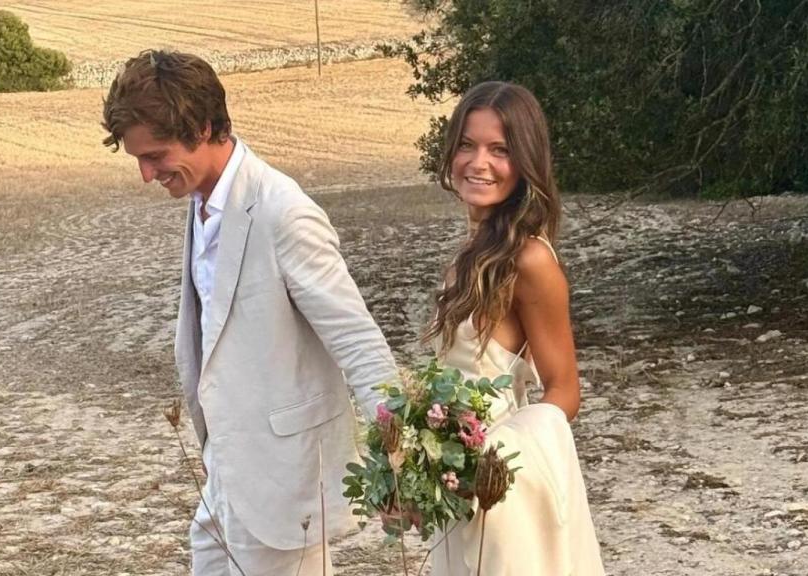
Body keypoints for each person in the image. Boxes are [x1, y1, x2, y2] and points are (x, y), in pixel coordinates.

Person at [101, 50, 398, 576]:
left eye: (156, 155)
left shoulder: (284, 211)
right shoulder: (202, 201)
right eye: (138, 160)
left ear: (206, 126)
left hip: (285, 484)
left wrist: (398, 453)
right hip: (227, 476)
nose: (147, 174)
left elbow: (357, 340)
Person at [421, 81, 605, 575]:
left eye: (499, 150)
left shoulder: (530, 260)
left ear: (524, 161)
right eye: (467, 144)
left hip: (499, 489)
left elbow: (565, 390)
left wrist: (492, 458)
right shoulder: (470, 254)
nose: (478, 163)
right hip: (456, 485)